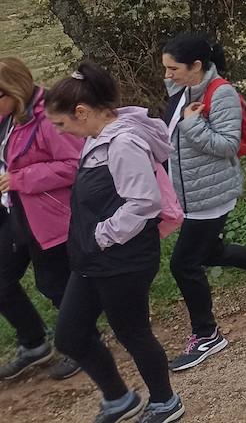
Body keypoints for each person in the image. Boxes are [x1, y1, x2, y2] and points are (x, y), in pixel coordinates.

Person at [48, 62, 184, 423]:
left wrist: (101, 236)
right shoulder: (95, 138)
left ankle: (165, 402)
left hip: (124, 257)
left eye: (60, 124)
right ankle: (119, 398)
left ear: (81, 112)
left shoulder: (123, 143)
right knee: (70, 336)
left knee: (132, 331)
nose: (60, 132)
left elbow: (144, 202)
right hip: (93, 258)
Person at [161, 34, 246, 371]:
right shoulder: (184, 89)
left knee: (183, 264)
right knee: (207, 253)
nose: (167, 75)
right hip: (192, 193)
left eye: (173, 68)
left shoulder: (222, 94)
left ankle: (206, 335)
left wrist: (192, 124)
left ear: (196, 66)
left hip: (212, 194)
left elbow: (227, 145)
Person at [0, 58, 82, 382]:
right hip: (14, 212)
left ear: (14, 90)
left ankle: (82, 343)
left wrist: (20, 178)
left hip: (49, 214)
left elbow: (76, 163)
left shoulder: (49, 116)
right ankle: (34, 343)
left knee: (54, 284)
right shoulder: (7, 117)